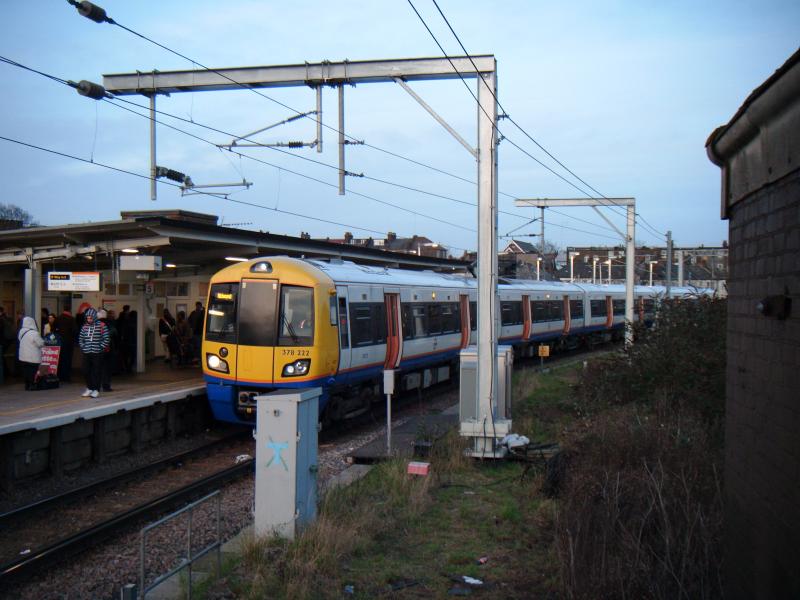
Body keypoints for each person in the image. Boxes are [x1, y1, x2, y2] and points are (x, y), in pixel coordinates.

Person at [78, 307, 109, 398]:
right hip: (87, 352)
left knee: (96, 372)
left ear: (94, 317)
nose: (89, 320)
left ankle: (96, 389)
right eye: (87, 318)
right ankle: (89, 388)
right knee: (85, 370)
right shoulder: (84, 327)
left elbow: (106, 338)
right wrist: (83, 347)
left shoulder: (102, 325)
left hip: (97, 353)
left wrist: (100, 347)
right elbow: (81, 339)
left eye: (90, 318)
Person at [18, 316, 44, 391]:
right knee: (32, 371)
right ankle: (32, 385)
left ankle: (27, 385)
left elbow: (20, 340)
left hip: (23, 356)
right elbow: (40, 343)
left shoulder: (21, 332)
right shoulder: (34, 333)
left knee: (26, 371)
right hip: (32, 357)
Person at [97, 309, 118, 392]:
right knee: (106, 368)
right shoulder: (109, 324)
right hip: (107, 349)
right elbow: (115, 334)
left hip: (95, 350)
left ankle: (96, 386)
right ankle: (106, 386)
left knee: (96, 368)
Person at [54, 309, 75, 382]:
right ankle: (66, 377)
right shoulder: (72, 319)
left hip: (58, 342)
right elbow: (74, 331)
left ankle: (59, 376)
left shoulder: (57, 318)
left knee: (59, 360)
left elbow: (53, 329)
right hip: (68, 343)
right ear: (69, 312)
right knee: (67, 360)